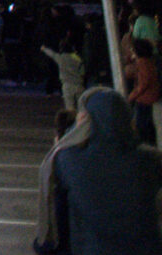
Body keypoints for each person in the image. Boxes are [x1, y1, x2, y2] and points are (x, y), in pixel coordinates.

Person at [33, 86, 161, 254]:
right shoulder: (151, 159)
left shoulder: (69, 161)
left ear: (86, 120)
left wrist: (69, 136)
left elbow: (58, 217)